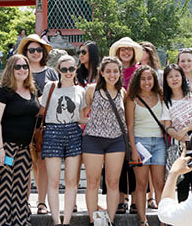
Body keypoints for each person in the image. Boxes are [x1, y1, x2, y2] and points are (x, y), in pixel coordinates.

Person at [0, 54, 40, 226]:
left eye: (25, 66)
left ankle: (21, 222)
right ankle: (2, 223)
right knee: (4, 188)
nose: (22, 70)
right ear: (11, 69)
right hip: (6, 147)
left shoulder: (33, 90)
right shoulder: (3, 92)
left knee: (20, 189)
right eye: (17, 67)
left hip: (25, 149)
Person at [40, 55, 87, 226]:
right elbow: (42, 111)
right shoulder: (50, 87)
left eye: (71, 69)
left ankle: (66, 221)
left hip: (73, 132)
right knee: (53, 181)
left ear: (76, 69)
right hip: (52, 131)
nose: (68, 72)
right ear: (59, 70)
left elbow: (82, 118)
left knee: (71, 181)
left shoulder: (80, 90)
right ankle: (55, 220)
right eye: (64, 69)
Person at [83, 56, 128, 226]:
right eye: (108, 71)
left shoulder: (123, 92)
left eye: (115, 71)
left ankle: (110, 220)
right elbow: (85, 113)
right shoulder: (91, 90)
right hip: (93, 139)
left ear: (119, 73)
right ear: (102, 73)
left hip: (116, 140)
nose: (112, 74)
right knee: (92, 182)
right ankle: (93, 220)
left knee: (113, 182)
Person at [17, 33, 58, 215]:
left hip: (45, 124)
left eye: (38, 49)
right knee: (25, 164)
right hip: (24, 122)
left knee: (42, 165)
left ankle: (42, 203)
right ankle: (24, 202)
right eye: (31, 49)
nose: (35, 53)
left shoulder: (51, 72)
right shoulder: (20, 69)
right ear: (25, 51)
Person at [126, 65, 167, 226]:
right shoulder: (132, 98)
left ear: (154, 79)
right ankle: (143, 221)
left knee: (159, 184)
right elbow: (129, 126)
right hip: (140, 143)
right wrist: (134, 149)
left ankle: (163, 220)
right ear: (137, 80)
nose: (146, 82)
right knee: (141, 184)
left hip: (159, 143)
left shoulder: (161, 95)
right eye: (143, 79)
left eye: (149, 78)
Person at [160, 63, 192, 201]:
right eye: (170, 77)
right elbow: (167, 126)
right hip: (180, 149)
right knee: (182, 186)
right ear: (166, 80)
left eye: (177, 75)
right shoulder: (166, 101)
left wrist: (185, 131)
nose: (174, 79)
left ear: (182, 77)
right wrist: (178, 135)